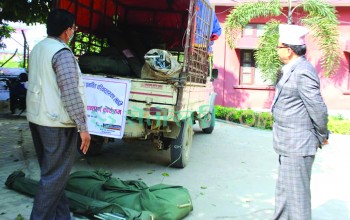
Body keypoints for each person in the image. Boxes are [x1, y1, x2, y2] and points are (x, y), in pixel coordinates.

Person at [26, 9, 91, 219]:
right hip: (57, 123)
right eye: (73, 28)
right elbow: (70, 93)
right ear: (67, 30)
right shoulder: (61, 53)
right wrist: (83, 128)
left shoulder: (38, 48)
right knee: (53, 178)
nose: (73, 32)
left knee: (56, 177)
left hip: (37, 118)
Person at [271, 24, 328, 220]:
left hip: (298, 144)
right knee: (284, 194)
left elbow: (317, 107)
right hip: (287, 143)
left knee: (297, 199)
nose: (276, 50)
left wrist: (322, 135)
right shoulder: (290, 68)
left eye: (278, 46)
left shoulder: (303, 71)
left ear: (288, 49)